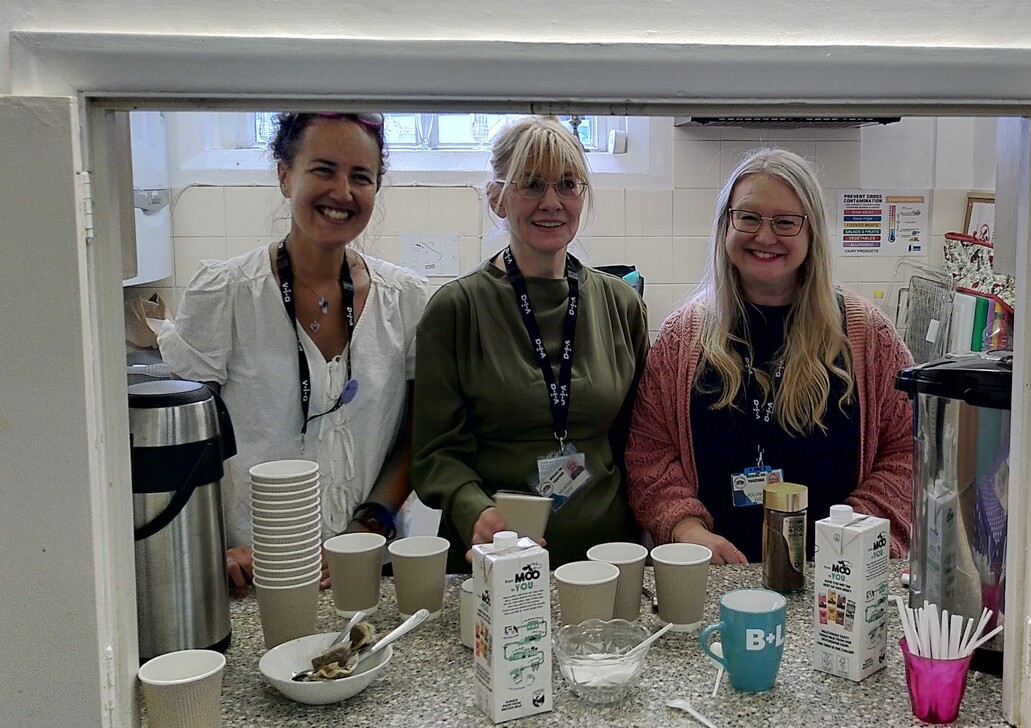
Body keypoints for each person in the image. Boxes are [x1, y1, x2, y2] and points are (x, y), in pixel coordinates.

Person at [158, 112, 430, 594]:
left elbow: (415, 433)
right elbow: (182, 446)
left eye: (360, 177)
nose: (342, 192)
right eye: (323, 170)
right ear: (285, 176)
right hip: (252, 572)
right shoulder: (227, 293)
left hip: (366, 569)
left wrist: (366, 528)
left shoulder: (404, 299)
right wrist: (208, 546)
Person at [625, 147, 913, 564]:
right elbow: (650, 454)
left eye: (785, 222)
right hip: (714, 579)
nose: (764, 236)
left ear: (811, 232)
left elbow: (908, 450)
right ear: (726, 225)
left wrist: (855, 535)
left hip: (836, 578)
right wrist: (686, 529)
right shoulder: (681, 339)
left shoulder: (868, 336)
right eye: (749, 218)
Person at [411, 116, 649, 572]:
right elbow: (434, 454)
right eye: (532, 184)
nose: (551, 202)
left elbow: (640, 443)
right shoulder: (456, 310)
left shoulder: (622, 306)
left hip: (607, 558)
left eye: (567, 185)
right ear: (497, 198)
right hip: (496, 558)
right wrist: (473, 511)